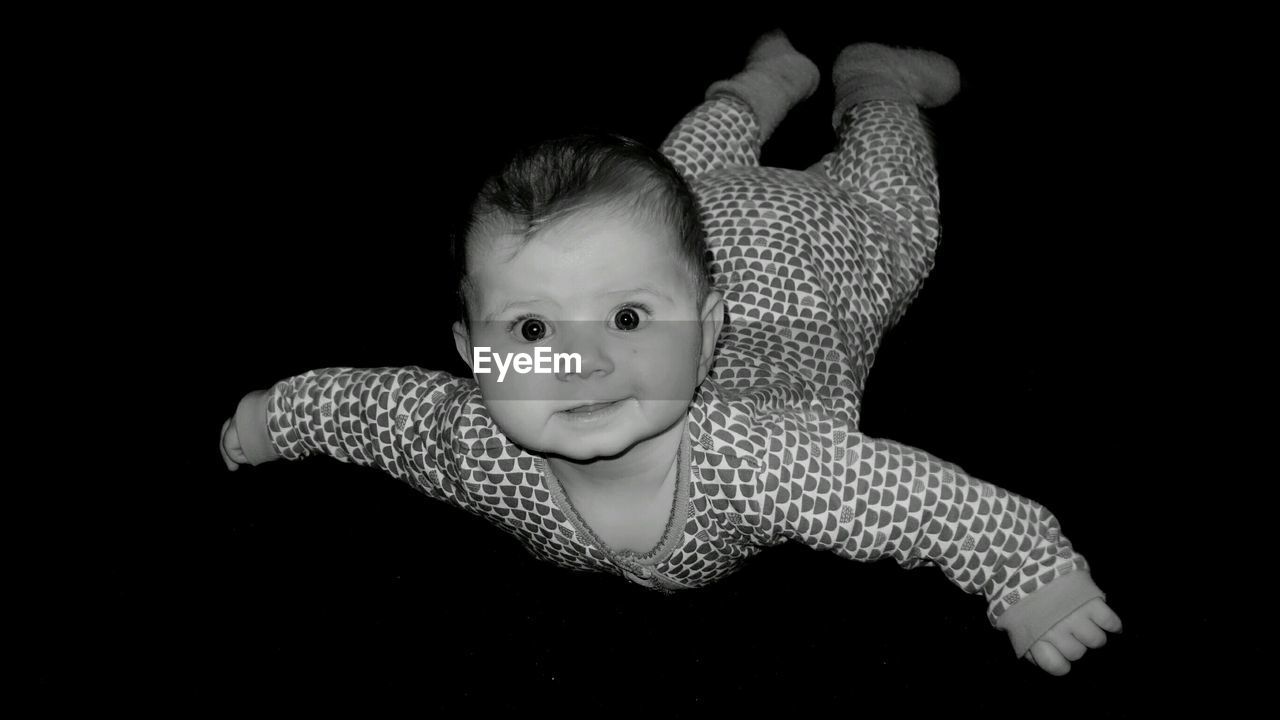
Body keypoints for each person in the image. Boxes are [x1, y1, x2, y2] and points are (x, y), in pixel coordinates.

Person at [219, 31, 1122, 675]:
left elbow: (927, 504)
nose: (584, 364)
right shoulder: (470, 442)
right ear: (471, 353)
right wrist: (278, 418)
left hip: (821, 254)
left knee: (897, 223)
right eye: (533, 331)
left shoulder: (767, 464)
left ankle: (873, 86)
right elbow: (375, 413)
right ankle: (754, 92)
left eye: (626, 323)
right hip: (694, 225)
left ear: (709, 330)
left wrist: (1028, 575)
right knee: (675, 183)